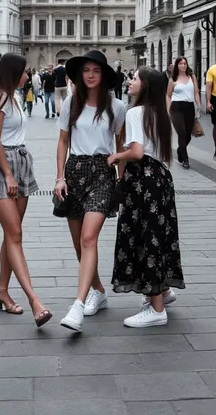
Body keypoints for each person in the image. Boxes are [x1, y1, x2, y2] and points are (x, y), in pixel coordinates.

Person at [0, 53, 52, 327]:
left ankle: (2, 291)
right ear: (14, 72)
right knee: (15, 234)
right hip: (0, 165)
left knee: (12, 233)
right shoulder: (0, 98)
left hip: (20, 162)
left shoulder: (13, 96)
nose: (28, 76)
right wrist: (7, 174)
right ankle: (34, 300)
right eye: (25, 72)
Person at [107, 67, 185, 327]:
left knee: (145, 238)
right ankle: (162, 291)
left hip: (142, 180)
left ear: (146, 86)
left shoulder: (135, 112)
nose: (130, 81)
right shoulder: (160, 113)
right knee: (159, 235)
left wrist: (117, 156)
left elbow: (138, 152)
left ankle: (156, 309)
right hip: (161, 179)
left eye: (136, 78)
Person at [54, 50, 125, 332]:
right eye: (86, 70)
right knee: (79, 245)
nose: (91, 75)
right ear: (80, 75)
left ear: (104, 75)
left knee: (88, 238)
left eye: (96, 70)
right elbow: (62, 142)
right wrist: (59, 177)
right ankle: (98, 290)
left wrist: (122, 181)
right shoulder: (72, 102)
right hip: (74, 172)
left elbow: (119, 146)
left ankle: (78, 305)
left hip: (102, 173)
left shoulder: (117, 107)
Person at [167, 56, 201, 169]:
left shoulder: (192, 77)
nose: (183, 65)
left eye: (185, 63)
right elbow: (168, 95)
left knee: (188, 136)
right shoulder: (173, 79)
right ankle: (185, 159)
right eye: (181, 63)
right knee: (181, 133)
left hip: (189, 107)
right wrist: (167, 109)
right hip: (176, 107)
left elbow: (196, 92)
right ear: (177, 65)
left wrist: (199, 105)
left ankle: (180, 149)